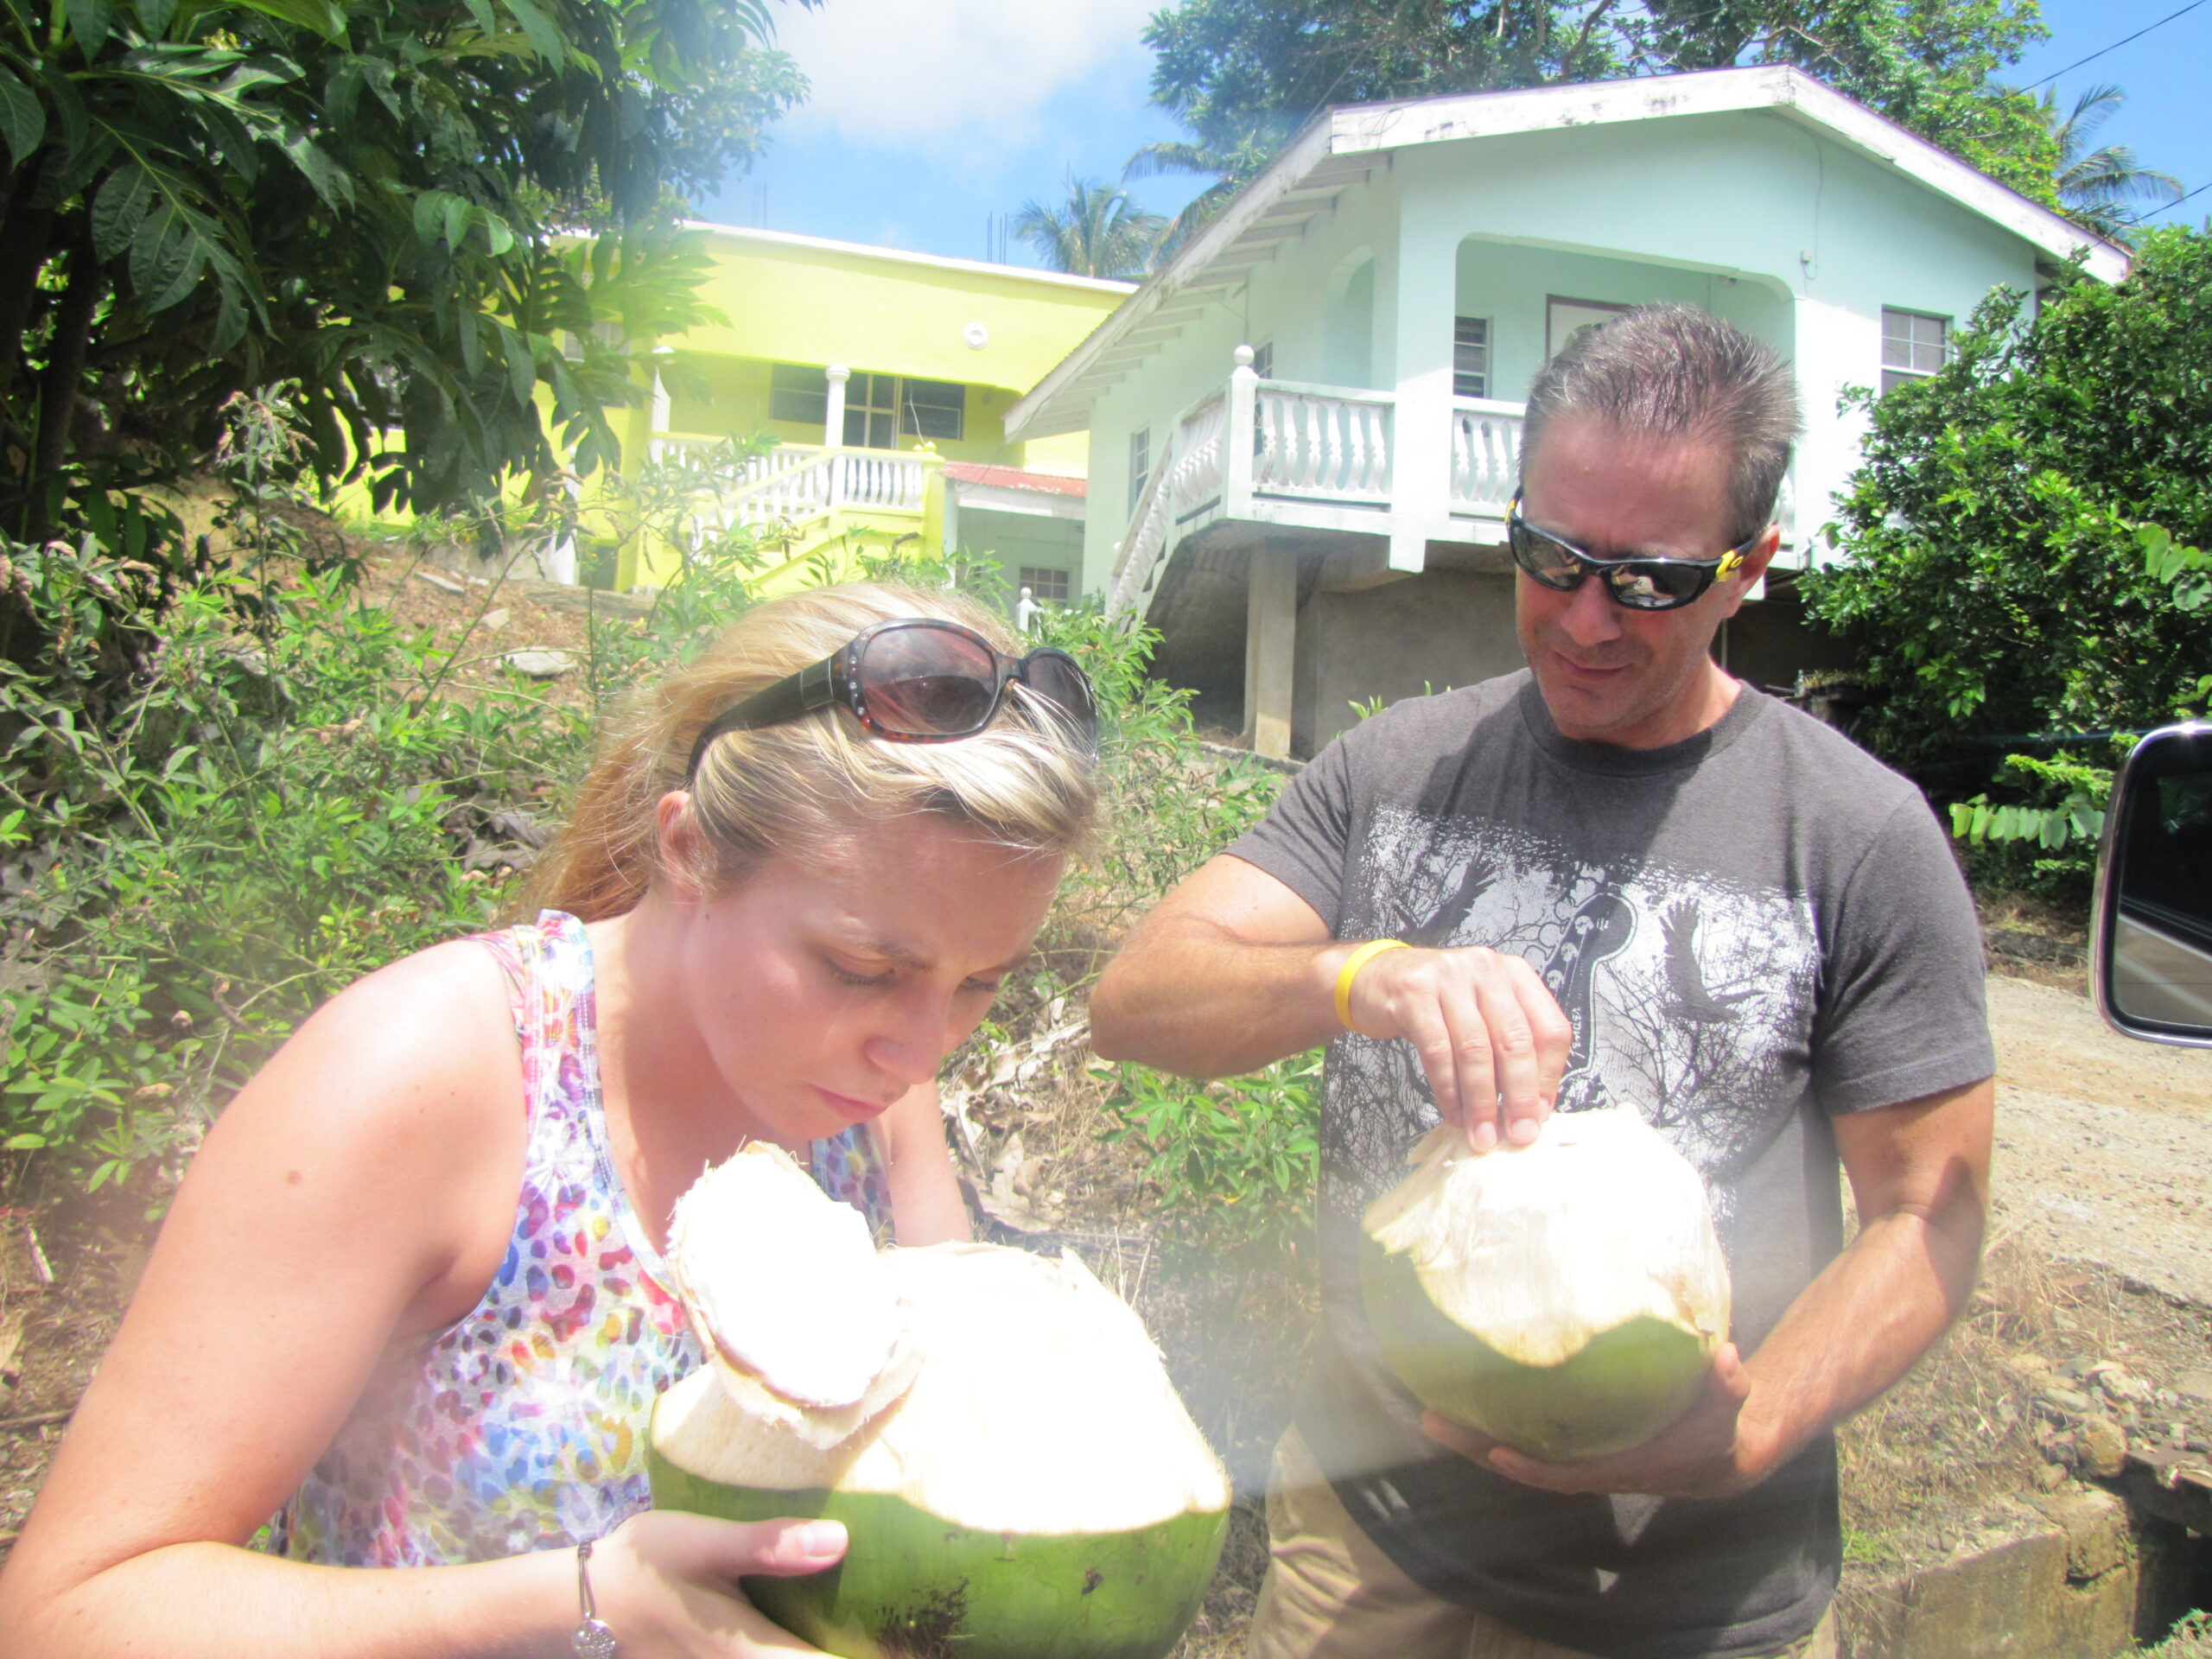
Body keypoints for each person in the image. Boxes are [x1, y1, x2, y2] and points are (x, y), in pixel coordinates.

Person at [1090, 304, 1996, 1659]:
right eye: (1549, 553)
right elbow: (1139, 1000)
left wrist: (1746, 1431)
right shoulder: (1400, 769)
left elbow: (1927, 1214)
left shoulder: (1855, 833)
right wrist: (1364, 974)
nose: (1581, 620)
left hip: (1677, 1596)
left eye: (1647, 580)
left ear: (1750, 569)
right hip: (1364, 1536)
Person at [0, 582, 1100, 1657]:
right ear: (690, 851)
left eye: (980, 984)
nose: (921, 1048)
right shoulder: (425, 1081)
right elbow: (67, 1611)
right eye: (862, 969)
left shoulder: (872, 1096)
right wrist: (574, 1605)